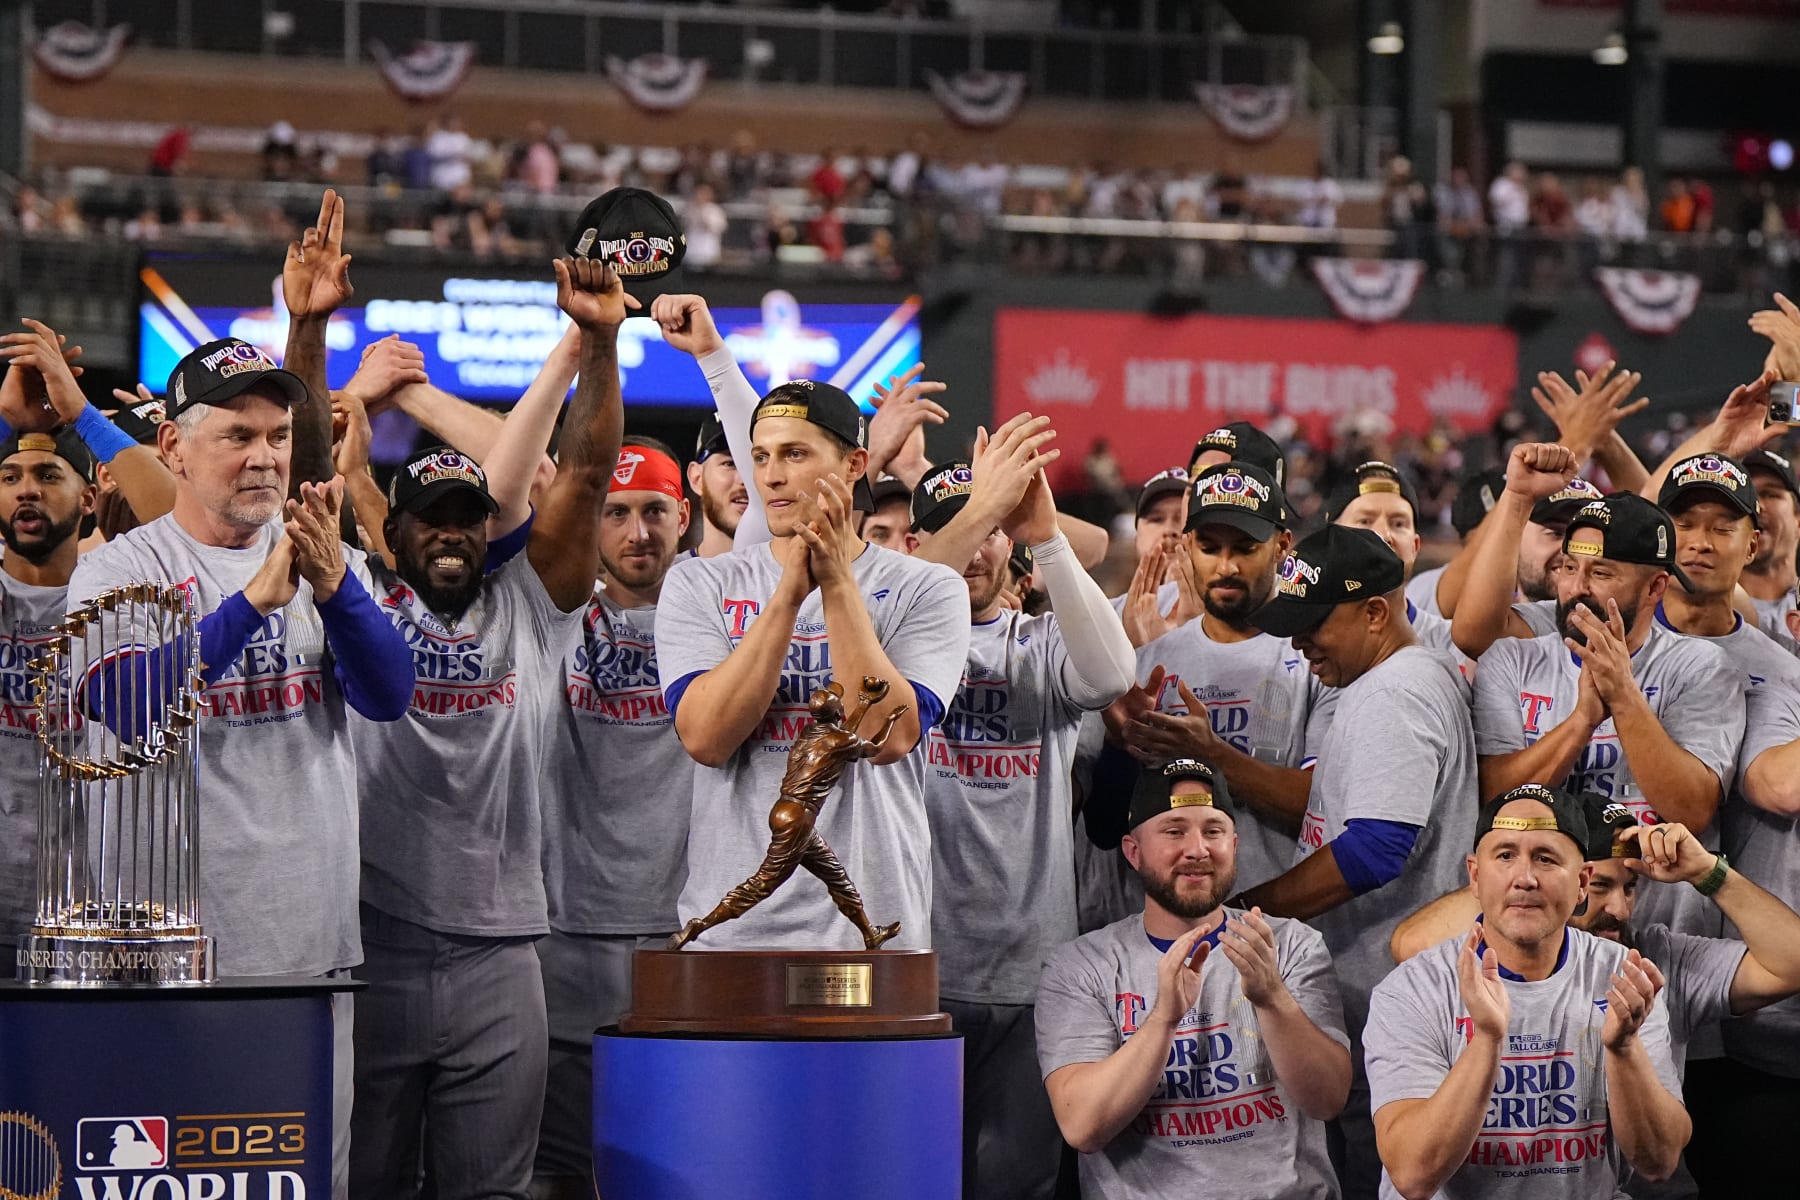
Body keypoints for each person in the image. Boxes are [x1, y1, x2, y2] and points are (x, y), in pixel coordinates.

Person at [345, 258, 626, 1200]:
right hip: (371, 938)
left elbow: (583, 476)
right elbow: (311, 473)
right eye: (431, 520)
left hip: (506, 950)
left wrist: (600, 343)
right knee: (361, 1182)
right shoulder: (358, 597)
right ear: (394, 530)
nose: (453, 534)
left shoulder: (532, 606)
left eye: (470, 518)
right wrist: (347, 403)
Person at [654, 379, 970, 949]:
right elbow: (706, 738)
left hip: (875, 946)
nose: (770, 476)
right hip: (733, 945)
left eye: (795, 454)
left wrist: (837, 586)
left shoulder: (930, 587)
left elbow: (886, 736)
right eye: (760, 456)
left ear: (854, 464)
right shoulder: (700, 582)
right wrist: (785, 599)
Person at [907, 444, 1135, 1200]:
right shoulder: (885, 650)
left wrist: (1049, 533)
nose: (975, 545)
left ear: (1013, 545)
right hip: (914, 967)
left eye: (992, 529)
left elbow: (1109, 676)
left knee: (1018, 1186)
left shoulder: (1038, 647)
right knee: (906, 1180)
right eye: (958, 529)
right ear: (916, 548)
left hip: (1033, 970)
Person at [1236, 523, 1480, 1199]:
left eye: (1315, 623)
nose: (1298, 640)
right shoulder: (1392, 679)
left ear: (1377, 611)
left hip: (1385, 1000)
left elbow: (1375, 850)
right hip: (1386, 991)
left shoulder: (1393, 692)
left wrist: (1250, 915)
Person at [1391, 798, 1800, 1200]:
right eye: (1602, 886)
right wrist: (1524, 877)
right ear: (1580, 882)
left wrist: (1710, 872)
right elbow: (1412, 942)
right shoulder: (1440, 980)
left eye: (1631, 887)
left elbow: (1792, 964)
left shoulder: (1649, 962)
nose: (1619, 910)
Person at [1035, 760, 1351, 1199]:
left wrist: (1273, 999)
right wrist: (1163, 1019)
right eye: (1174, 831)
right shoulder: (1082, 966)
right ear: (1133, 851)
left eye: (1213, 831)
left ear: (1234, 845)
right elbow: (1082, 1126)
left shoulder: (1291, 945)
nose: (1198, 849)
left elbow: (1327, 1099)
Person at [1365, 785, 1692, 1199]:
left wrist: (1624, 1049)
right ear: (1475, 877)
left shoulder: (1623, 977)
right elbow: (1413, 1175)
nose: (1525, 878)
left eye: (1545, 858)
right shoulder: (1413, 990)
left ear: (1581, 883)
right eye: (1505, 855)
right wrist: (1486, 1041)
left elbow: (1659, 1161)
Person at [1467, 448, 1744, 933]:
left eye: (1601, 574)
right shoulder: (1514, 657)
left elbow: (1692, 810)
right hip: (1541, 939)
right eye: (1569, 569)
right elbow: (1498, 805)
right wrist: (1580, 723)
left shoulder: (1700, 668)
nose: (1577, 588)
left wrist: (1622, 695)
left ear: (1656, 587)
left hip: (1664, 937)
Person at [535, 437, 695, 1197]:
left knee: (675, 1165)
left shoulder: (721, 611)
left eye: (655, 511)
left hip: (682, 934)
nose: (638, 533)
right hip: (562, 930)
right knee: (561, 1167)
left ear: (685, 516)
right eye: (617, 513)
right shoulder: (549, 615)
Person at [0, 319, 177, 953]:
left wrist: (81, 419)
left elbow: (182, 523)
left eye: (49, 476)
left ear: (88, 498)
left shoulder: (125, 589)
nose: (26, 489)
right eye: (11, 477)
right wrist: (9, 420)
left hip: (98, 895)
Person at [1102, 462, 1332, 896]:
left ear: (1283, 545)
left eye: (1245, 548)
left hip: (1279, 925)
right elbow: (1105, 830)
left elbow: (1321, 806)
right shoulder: (1148, 663)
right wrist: (1120, 747)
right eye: (1209, 547)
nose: (1226, 566)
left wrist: (1211, 754)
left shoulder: (1316, 658)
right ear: (1187, 546)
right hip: (1158, 930)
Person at [686, 414, 747, 558]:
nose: (745, 479)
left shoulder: (804, 573)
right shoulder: (664, 578)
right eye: (730, 463)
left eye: (759, 461)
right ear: (697, 478)